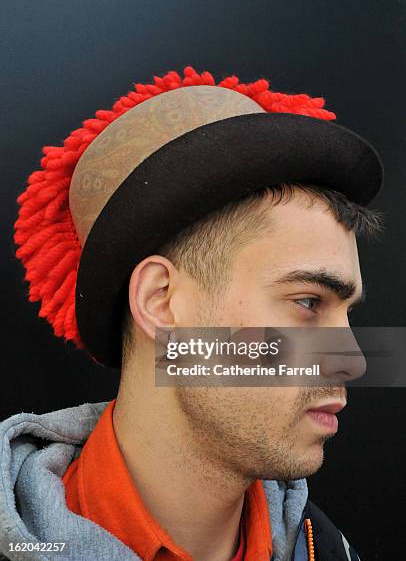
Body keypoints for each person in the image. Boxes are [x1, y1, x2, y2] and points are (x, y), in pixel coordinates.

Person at [0, 66, 384, 561]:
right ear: (161, 301)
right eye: (308, 303)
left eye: (345, 312)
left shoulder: (326, 548)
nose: (351, 362)